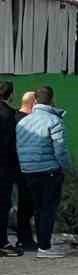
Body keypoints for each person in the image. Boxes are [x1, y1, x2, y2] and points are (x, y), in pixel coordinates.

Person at [16, 86, 70, 257]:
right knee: (48, 209)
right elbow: (60, 150)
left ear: (36, 100)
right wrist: (66, 167)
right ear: (52, 99)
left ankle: (42, 244)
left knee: (38, 208)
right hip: (49, 171)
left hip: (28, 171)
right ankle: (45, 247)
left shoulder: (23, 122)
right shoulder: (54, 121)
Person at [14, 91, 35, 251]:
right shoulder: (28, 121)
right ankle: (25, 239)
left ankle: (23, 238)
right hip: (24, 167)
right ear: (33, 103)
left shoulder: (13, 117)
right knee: (26, 205)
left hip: (13, 166)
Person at [0, 82, 19, 256]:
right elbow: (13, 144)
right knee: (3, 205)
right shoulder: (10, 115)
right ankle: (2, 242)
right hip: (4, 167)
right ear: (10, 95)